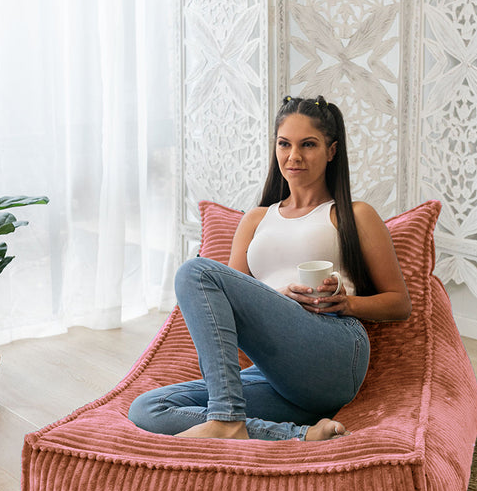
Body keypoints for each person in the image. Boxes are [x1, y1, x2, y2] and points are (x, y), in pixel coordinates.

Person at [128, 96, 411, 441]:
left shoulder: (354, 214)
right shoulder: (255, 219)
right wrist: (276, 297)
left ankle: (226, 418)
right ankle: (298, 434)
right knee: (148, 408)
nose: (294, 156)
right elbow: (226, 311)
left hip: (333, 349)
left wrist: (347, 303)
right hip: (275, 375)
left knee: (195, 272)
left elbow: (399, 303)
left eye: (308, 144)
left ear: (332, 151)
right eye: (284, 144)